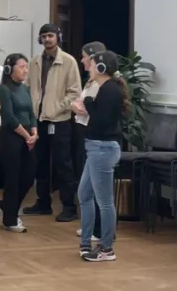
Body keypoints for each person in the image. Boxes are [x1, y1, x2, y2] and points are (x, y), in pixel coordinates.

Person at [71, 50, 129, 262]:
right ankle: (86, 242)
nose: (89, 67)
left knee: (105, 201)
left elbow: (102, 120)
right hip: (95, 147)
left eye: (93, 63)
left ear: (102, 67)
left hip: (103, 148)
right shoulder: (104, 88)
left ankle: (106, 248)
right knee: (84, 194)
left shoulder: (110, 90)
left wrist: (88, 103)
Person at [26, 24, 82, 223]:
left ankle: (69, 206)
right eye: (44, 36)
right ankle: (43, 203)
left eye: (50, 35)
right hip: (38, 120)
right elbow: (29, 86)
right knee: (39, 162)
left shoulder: (68, 61)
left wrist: (57, 107)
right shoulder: (34, 61)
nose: (47, 39)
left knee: (62, 163)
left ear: (58, 37)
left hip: (59, 121)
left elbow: (75, 92)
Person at [0, 54, 37, 232]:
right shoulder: (4, 89)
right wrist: (27, 136)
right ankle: (10, 219)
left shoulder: (24, 89)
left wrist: (34, 132)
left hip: (28, 137)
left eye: (26, 67)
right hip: (11, 138)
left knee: (28, 176)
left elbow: (31, 113)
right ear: (9, 69)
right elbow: (9, 117)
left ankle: (6, 206)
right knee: (13, 179)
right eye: (21, 67)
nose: (25, 70)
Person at [72, 41, 106, 246]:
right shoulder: (90, 81)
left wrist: (78, 106)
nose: (82, 60)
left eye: (85, 56)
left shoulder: (101, 84)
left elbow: (87, 107)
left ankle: (99, 229)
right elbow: (77, 102)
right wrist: (75, 105)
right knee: (87, 184)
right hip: (83, 130)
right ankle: (90, 226)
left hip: (93, 134)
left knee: (96, 184)